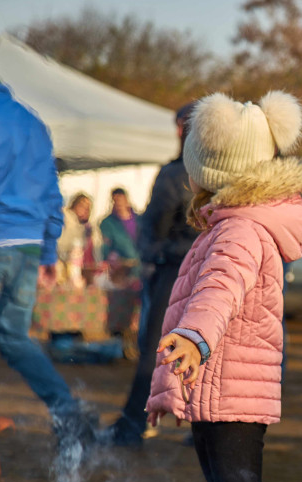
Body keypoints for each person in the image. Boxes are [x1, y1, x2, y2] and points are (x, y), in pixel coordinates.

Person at [145, 91, 302, 482]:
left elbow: (219, 290)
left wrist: (194, 338)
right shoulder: (229, 225)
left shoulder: (239, 231)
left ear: (213, 169)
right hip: (222, 391)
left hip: (233, 398)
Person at [0, 41, 90, 445]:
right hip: (26, 247)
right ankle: (68, 413)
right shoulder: (32, 121)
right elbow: (51, 193)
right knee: (15, 337)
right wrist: (49, 250)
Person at [106, 103, 199, 447]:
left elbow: (155, 226)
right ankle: (204, 428)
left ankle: (132, 426)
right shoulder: (224, 173)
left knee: (156, 348)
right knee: (205, 347)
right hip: (212, 270)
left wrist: (151, 259)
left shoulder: (176, 174)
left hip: (174, 268)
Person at [57, 192, 103, 281]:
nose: (85, 210)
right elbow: (61, 244)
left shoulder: (87, 227)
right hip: (61, 264)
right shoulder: (64, 219)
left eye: (88, 208)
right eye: (82, 206)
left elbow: (97, 245)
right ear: (74, 204)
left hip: (80, 267)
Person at [99, 187, 142, 278]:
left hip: (141, 268)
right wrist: (110, 255)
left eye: (120, 200)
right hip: (122, 270)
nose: (119, 203)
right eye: (115, 201)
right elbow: (106, 245)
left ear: (126, 200)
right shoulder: (107, 223)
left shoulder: (139, 220)